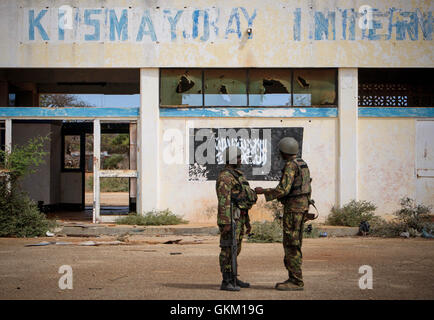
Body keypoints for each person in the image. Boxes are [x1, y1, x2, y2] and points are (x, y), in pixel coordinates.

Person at [255, 137, 312, 291]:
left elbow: (283, 190)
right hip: (301, 209)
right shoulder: (302, 164)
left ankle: (296, 281)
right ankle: (294, 278)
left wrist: (263, 192)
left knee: (291, 245)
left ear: (284, 152)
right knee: (295, 243)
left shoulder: (291, 166)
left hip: (294, 210)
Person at [216, 146, 252, 291]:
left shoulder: (237, 175)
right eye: (237, 157)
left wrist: (247, 221)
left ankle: (233, 277)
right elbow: (224, 200)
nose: (240, 160)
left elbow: (242, 200)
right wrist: (226, 222)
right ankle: (226, 281)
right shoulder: (225, 177)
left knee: (235, 249)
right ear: (231, 159)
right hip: (230, 219)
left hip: (239, 217)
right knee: (227, 249)